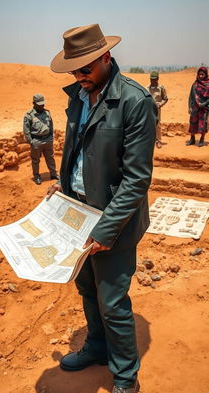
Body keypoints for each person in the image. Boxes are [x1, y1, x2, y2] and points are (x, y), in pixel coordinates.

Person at [47, 24, 157, 393]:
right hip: (77, 216)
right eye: (74, 70)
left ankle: (125, 377)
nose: (79, 77)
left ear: (106, 57)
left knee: (112, 301)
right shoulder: (78, 96)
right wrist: (62, 193)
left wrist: (105, 230)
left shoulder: (134, 101)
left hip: (113, 222)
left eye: (86, 69)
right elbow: (77, 156)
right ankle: (96, 348)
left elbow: (137, 179)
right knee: (88, 290)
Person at [23, 94, 59, 184]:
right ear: (34, 103)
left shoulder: (47, 112)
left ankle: (53, 173)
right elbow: (26, 131)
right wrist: (31, 142)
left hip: (48, 140)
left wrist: (51, 136)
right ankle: (37, 176)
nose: (42, 106)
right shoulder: (29, 116)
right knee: (35, 160)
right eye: (39, 104)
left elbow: (51, 125)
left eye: (43, 104)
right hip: (36, 141)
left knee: (50, 157)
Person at [187, 66, 209, 147]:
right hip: (195, 107)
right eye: (199, 74)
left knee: (203, 124)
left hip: (204, 108)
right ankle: (192, 139)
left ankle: (202, 139)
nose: (200, 76)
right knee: (192, 123)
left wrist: (203, 104)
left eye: (202, 74)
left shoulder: (208, 84)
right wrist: (189, 106)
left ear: (206, 74)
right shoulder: (195, 84)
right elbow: (190, 96)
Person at [147, 71, 168, 148]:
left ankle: (158, 141)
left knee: (157, 124)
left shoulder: (161, 88)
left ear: (158, 79)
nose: (153, 81)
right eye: (151, 79)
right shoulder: (147, 88)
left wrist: (160, 104)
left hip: (157, 109)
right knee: (148, 124)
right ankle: (150, 140)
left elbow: (165, 99)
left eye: (154, 79)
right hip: (148, 109)